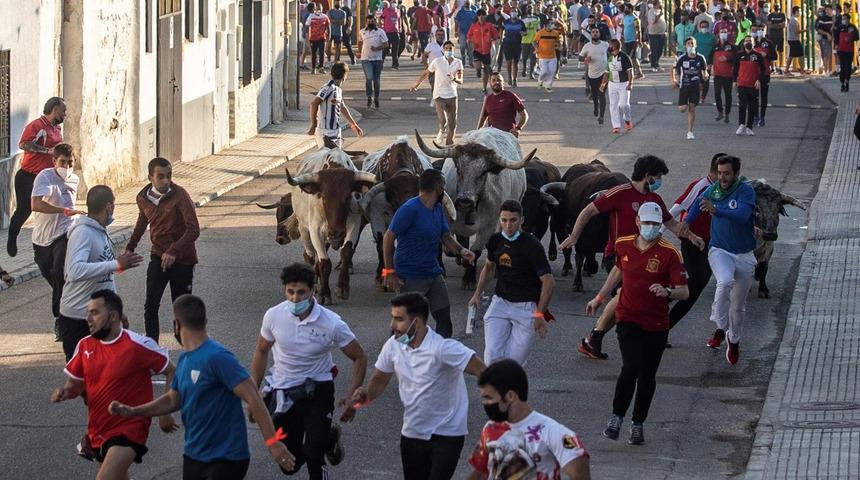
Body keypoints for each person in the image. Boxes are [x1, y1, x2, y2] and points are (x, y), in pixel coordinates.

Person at [108, 295, 296, 479]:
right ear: (204, 321)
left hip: (227, 458)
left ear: (176, 324)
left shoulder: (217, 357)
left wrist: (273, 442)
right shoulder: (185, 359)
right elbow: (173, 399)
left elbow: (253, 396)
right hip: (194, 456)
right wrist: (133, 411)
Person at [559, 155, 704, 360]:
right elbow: (589, 210)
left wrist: (692, 236)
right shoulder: (621, 192)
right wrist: (574, 236)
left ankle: (596, 337)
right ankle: (598, 337)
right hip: (618, 256)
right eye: (658, 176)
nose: (659, 181)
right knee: (625, 295)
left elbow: (671, 224)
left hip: (644, 259)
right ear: (647, 176)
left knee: (630, 299)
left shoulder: (654, 199)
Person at [250, 263, 368, 480]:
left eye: (301, 292)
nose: (295, 298)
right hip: (282, 391)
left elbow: (359, 357)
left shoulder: (331, 323)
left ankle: (321, 441)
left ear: (313, 289)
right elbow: (261, 350)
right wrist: (254, 394)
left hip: (318, 390)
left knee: (314, 454)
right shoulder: (273, 316)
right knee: (289, 465)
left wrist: (352, 396)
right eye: (290, 292)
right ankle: (328, 438)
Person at [351, 292, 486, 480]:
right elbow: (380, 380)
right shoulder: (393, 346)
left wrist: (496, 403)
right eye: (392, 318)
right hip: (412, 432)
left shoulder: (443, 349)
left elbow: (484, 371)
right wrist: (365, 395)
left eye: (399, 319)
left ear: (417, 322)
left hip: (447, 434)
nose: (392, 325)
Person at [586, 202, 689, 445]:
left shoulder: (670, 252)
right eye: (647, 223)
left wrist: (667, 291)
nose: (651, 228)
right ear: (637, 223)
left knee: (647, 375)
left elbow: (684, 291)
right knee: (631, 366)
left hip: (656, 323)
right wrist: (599, 297)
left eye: (656, 224)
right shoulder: (624, 244)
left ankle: (638, 423)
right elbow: (617, 272)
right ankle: (616, 417)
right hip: (628, 317)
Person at [51, 290, 177, 477]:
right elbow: (75, 384)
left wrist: (165, 413)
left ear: (113, 316)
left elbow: (172, 370)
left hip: (131, 426)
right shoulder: (85, 345)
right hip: (99, 427)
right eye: (88, 312)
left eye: (94, 313)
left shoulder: (137, 345)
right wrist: (66, 391)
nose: (88, 318)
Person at [383, 169, 476, 338]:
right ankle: (395, 357)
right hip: (410, 276)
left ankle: (440, 354)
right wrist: (388, 271)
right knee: (405, 324)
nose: (445, 190)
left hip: (433, 273)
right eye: (444, 186)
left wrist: (462, 251)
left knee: (444, 319)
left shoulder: (437, 208)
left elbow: (445, 236)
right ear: (438, 188)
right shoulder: (409, 209)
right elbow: (388, 237)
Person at [683, 155, 756, 365]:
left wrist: (718, 210)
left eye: (726, 173)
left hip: (743, 254)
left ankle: (733, 339)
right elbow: (699, 204)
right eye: (720, 172)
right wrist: (687, 223)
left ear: (736, 174)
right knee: (724, 281)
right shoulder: (714, 189)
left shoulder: (745, 190)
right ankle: (720, 324)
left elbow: (742, 216)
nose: (722, 178)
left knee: (738, 308)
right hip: (720, 249)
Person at [467, 359, 591, 479]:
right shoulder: (490, 428)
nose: (485, 403)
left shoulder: (553, 432)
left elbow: (579, 473)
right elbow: (481, 472)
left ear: (510, 396)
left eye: (489, 397)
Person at [59, 186, 144, 360]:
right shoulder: (83, 233)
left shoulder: (99, 230)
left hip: (101, 315)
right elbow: (73, 271)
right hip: (78, 319)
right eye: (113, 204)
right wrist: (115, 264)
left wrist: (116, 310)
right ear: (108, 207)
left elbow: (104, 277)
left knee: (106, 369)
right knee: (81, 377)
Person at [123, 158, 200, 342]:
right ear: (151, 177)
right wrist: (130, 246)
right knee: (151, 305)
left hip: (182, 260)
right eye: (161, 177)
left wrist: (173, 251)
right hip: (158, 256)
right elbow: (143, 221)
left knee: (181, 307)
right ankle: (152, 346)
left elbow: (193, 229)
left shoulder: (180, 195)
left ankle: (186, 345)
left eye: (169, 176)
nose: (166, 181)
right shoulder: (142, 198)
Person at [469, 200, 554, 365]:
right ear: (499, 219)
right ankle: (494, 389)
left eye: (513, 220)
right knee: (492, 356)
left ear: (521, 220)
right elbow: (488, 268)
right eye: (504, 220)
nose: (508, 225)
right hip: (500, 303)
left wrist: (539, 314)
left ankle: (510, 388)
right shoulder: (495, 241)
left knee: (514, 362)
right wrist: (477, 294)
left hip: (526, 307)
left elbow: (549, 282)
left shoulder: (532, 245)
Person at [30, 143, 85, 338]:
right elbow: (36, 204)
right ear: (54, 161)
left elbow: (70, 206)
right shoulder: (45, 176)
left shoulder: (75, 179)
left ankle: (61, 321)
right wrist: (62, 210)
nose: (66, 167)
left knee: (60, 272)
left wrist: (75, 217)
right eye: (62, 162)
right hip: (42, 238)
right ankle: (72, 297)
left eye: (70, 163)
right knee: (51, 275)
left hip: (64, 234)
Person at [666, 155, 719, 336]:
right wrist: (665, 226)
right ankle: (660, 307)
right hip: (693, 240)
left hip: (712, 243)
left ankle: (664, 324)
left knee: (699, 283)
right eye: (723, 173)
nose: (727, 178)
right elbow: (678, 207)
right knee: (694, 283)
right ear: (715, 172)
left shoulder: (725, 189)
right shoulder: (701, 185)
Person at [8, 97, 66, 257]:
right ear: (54, 110)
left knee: (52, 208)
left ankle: (48, 243)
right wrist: (46, 151)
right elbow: (23, 144)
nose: (65, 115)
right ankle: (12, 236)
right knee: (24, 210)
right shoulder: (37, 125)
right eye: (63, 111)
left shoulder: (57, 129)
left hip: (47, 177)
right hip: (28, 176)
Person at [412, 40, 464, 145]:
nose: (449, 50)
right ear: (443, 50)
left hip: (452, 95)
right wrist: (416, 85)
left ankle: (449, 144)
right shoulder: (437, 61)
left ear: (454, 49)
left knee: (453, 123)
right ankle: (441, 130)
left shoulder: (458, 63)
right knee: (443, 120)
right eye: (447, 48)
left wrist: (454, 79)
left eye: (451, 48)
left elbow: (461, 80)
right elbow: (426, 73)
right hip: (439, 96)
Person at [306, 62, 364, 147]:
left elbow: (342, 107)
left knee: (337, 158)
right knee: (330, 158)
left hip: (336, 131)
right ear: (344, 76)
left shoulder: (338, 90)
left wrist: (353, 124)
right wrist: (314, 124)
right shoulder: (328, 88)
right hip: (325, 132)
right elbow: (314, 104)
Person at [672, 36, 708, 140]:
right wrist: (673, 80)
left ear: (695, 45)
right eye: (688, 43)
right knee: (682, 109)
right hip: (684, 85)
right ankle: (684, 104)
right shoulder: (682, 57)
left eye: (692, 43)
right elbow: (673, 68)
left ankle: (690, 132)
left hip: (695, 86)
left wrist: (705, 75)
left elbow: (704, 70)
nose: (690, 45)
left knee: (692, 108)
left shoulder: (700, 58)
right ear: (685, 46)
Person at [733, 36, 765, 136]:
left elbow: (763, 69)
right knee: (742, 105)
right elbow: (735, 69)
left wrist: (759, 80)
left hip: (753, 85)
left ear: (754, 43)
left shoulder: (758, 55)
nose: (748, 43)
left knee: (752, 106)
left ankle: (749, 127)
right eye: (746, 41)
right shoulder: (739, 55)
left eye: (750, 41)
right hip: (742, 84)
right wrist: (734, 81)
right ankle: (741, 124)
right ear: (743, 43)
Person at [602, 39, 634, 134]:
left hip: (623, 84)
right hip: (612, 84)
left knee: (623, 105)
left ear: (615, 46)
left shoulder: (625, 57)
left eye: (610, 45)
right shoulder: (610, 58)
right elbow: (607, 72)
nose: (609, 47)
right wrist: (603, 84)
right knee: (613, 105)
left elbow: (630, 71)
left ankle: (627, 119)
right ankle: (616, 126)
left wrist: (630, 83)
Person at [359, 14, 390, 109]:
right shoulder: (362, 32)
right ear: (366, 22)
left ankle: (376, 97)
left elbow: (386, 44)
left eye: (372, 21)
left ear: (375, 21)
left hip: (377, 59)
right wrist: (360, 52)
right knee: (369, 78)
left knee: (376, 80)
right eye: (368, 22)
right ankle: (369, 97)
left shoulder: (380, 32)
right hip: (366, 59)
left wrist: (377, 48)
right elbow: (360, 42)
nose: (370, 23)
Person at [580, 26, 610, 124]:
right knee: (595, 95)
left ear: (599, 34)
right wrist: (585, 59)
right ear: (591, 34)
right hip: (592, 75)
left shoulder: (605, 44)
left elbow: (612, 52)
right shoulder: (587, 46)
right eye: (593, 32)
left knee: (602, 94)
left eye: (597, 32)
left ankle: (601, 116)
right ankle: (595, 107)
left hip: (604, 74)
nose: (595, 33)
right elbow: (580, 57)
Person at [750, 23, 776, 127]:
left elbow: (775, 56)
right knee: (754, 96)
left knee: (764, 96)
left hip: (765, 73)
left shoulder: (768, 43)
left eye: (761, 29)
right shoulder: (751, 43)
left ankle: (762, 117)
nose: (759, 31)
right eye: (757, 29)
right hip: (753, 73)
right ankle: (755, 116)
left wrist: (767, 55)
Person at [468, 10, 501, 92]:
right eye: (479, 15)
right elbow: (469, 36)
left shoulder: (489, 26)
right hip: (477, 50)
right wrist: (470, 41)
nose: (481, 17)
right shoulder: (474, 26)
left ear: (485, 16)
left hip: (487, 51)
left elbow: (496, 35)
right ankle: (478, 70)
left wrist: (494, 39)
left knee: (486, 70)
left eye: (483, 15)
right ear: (477, 16)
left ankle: (484, 87)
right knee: (478, 66)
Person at [712, 27, 736, 123]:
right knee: (717, 93)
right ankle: (720, 112)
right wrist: (710, 65)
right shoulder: (715, 46)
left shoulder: (731, 46)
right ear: (718, 33)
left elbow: (736, 59)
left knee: (728, 95)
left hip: (728, 74)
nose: (723, 34)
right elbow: (710, 56)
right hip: (717, 74)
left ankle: (727, 114)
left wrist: (727, 60)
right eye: (721, 32)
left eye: (725, 32)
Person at [534, 20, 562, 91]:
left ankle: (548, 86)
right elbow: (534, 41)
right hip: (542, 56)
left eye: (552, 23)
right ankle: (540, 80)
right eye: (550, 24)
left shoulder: (555, 33)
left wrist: (559, 46)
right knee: (544, 71)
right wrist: (536, 49)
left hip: (552, 56)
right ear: (546, 25)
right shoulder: (540, 33)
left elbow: (558, 42)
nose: (552, 25)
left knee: (552, 72)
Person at [834, 12, 859, 91]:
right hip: (841, 50)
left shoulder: (853, 27)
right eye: (843, 19)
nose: (843, 20)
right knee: (843, 67)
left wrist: (851, 37)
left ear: (848, 19)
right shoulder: (840, 27)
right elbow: (836, 36)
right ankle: (842, 83)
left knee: (848, 67)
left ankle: (846, 81)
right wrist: (836, 44)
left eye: (844, 19)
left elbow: (857, 37)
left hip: (849, 50)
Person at [501, 9, 526, 85]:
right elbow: (501, 30)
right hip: (507, 44)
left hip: (517, 44)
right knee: (508, 62)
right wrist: (500, 40)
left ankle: (515, 79)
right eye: (512, 11)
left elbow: (525, 32)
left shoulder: (521, 23)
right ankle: (509, 77)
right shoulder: (506, 22)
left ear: (517, 13)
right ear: (510, 13)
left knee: (515, 62)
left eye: (515, 11)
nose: (513, 13)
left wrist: (523, 33)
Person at [306, 3, 331, 74]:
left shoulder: (325, 17)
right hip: (313, 38)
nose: (319, 10)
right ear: (315, 9)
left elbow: (328, 27)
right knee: (314, 54)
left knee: (321, 53)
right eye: (317, 9)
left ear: (322, 9)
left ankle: (321, 68)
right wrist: (308, 35)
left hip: (322, 38)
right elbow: (307, 26)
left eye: (320, 9)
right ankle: (314, 68)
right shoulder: (311, 16)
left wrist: (329, 36)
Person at [620, 4, 643, 78]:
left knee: (633, 57)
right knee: (627, 57)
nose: (625, 10)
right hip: (626, 41)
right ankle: (630, 72)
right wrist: (622, 37)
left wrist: (639, 41)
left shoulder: (635, 18)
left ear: (630, 9)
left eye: (626, 8)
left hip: (633, 41)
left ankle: (639, 72)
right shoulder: (625, 17)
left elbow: (638, 30)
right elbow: (624, 28)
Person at [646, 2, 668, 71]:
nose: (660, 5)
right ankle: (654, 64)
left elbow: (663, 21)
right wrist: (659, 15)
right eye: (659, 3)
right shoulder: (651, 11)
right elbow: (653, 21)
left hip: (661, 33)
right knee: (655, 49)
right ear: (656, 3)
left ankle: (654, 60)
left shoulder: (660, 11)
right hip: (653, 34)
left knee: (660, 49)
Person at [381, 0, 404, 68]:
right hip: (388, 32)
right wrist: (381, 26)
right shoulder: (386, 10)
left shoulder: (398, 10)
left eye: (395, 2)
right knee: (386, 48)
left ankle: (395, 63)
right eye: (393, 2)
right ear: (390, 3)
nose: (394, 3)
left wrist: (400, 27)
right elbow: (381, 18)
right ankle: (381, 59)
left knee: (395, 48)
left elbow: (399, 19)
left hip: (395, 32)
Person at [521, 4, 541, 78]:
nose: (530, 9)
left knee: (533, 58)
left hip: (534, 41)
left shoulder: (537, 18)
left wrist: (539, 40)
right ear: (526, 10)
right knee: (524, 57)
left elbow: (539, 30)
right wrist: (522, 33)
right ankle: (524, 68)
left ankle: (531, 73)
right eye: (528, 8)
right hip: (525, 41)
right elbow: (521, 30)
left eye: (531, 8)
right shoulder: (522, 19)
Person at [766, 2, 786, 73]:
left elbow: (783, 25)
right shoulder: (770, 15)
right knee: (772, 52)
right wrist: (778, 25)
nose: (777, 7)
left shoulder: (782, 14)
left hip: (780, 36)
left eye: (778, 6)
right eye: (775, 6)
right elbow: (769, 25)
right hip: (772, 36)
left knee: (780, 51)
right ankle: (773, 67)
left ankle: (780, 67)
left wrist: (774, 25)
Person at [785, 6, 805, 75]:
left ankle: (786, 70)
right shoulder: (794, 20)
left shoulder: (792, 19)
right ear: (796, 12)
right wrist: (805, 30)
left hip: (792, 39)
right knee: (801, 54)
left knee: (791, 55)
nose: (800, 13)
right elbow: (797, 31)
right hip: (794, 40)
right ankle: (802, 70)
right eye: (799, 11)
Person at [815, 5, 834, 75]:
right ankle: (826, 71)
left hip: (834, 40)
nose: (826, 11)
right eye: (826, 10)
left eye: (828, 9)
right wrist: (827, 34)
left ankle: (831, 70)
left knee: (832, 55)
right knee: (826, 54)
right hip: (825, 39)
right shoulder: (823, 18)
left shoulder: (835, 18)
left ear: (832, 10)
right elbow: (819, 29)